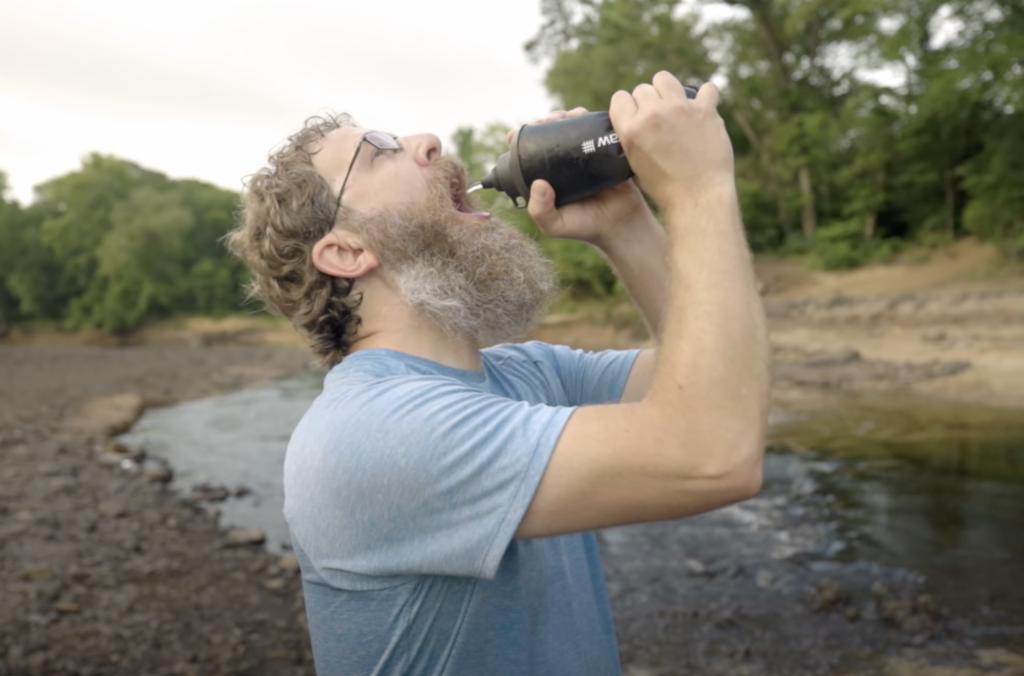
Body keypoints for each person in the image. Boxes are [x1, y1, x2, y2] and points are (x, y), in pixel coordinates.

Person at [226, 71, 770, 676]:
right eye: (379, 151)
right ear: (347, 252)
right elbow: (714, 452)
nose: (428, 140)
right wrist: (699, 190)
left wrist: (626, 227)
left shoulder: (528, 376)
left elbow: (735, 392)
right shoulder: (368, 434)